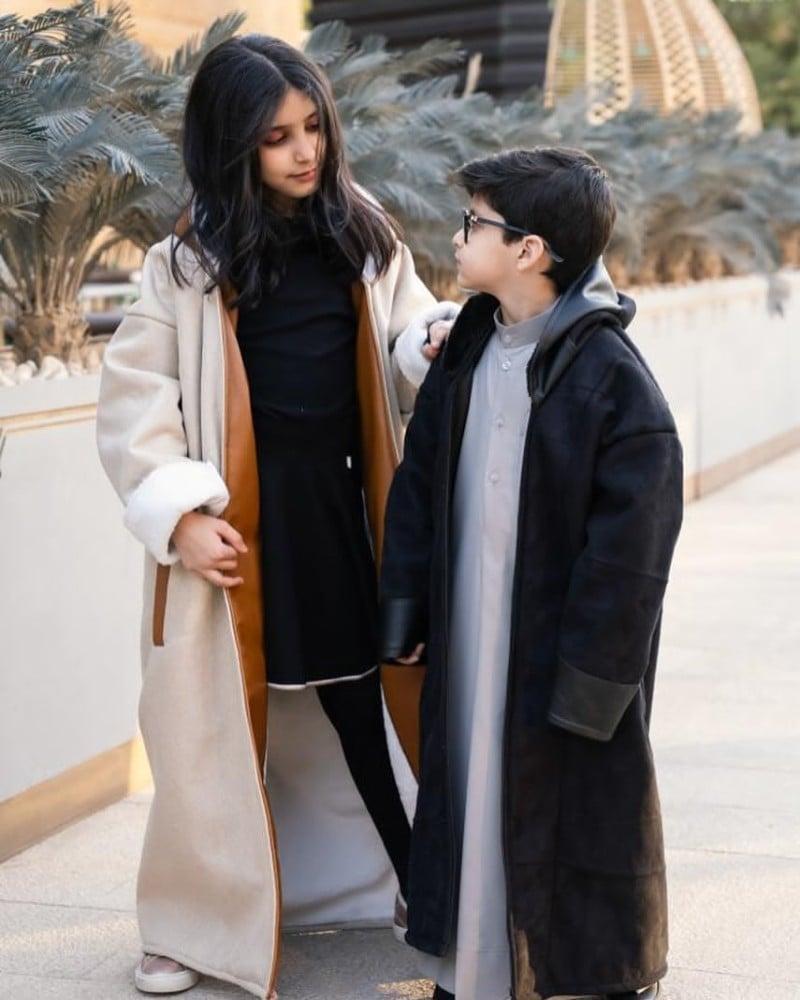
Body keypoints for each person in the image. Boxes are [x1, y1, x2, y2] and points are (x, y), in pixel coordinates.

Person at [95, 34, 457, 999]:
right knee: (212, 732)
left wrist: (430, 340)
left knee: (359, 698)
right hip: (236, 524)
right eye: (276, 138)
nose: (304, 152)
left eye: (313, 129)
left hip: (341, 511)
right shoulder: (184, 265)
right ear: (231, 145)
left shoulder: (364, 237)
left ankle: (419, 881)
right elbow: (136, 402)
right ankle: (190, 921)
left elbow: (406, 335)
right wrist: (178, 514)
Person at [379, 147, 684, 1000]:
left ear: (529, 250)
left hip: (553, 652)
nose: (458, 236)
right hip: (470, 629)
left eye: (473, 223)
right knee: (471, 790)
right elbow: (419, 484)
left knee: (563, 810)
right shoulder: (468, 348)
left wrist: (592, 680)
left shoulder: (612, 378)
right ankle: (473, 971)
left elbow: (633, 553)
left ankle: (580, 978)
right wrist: (406, 607)